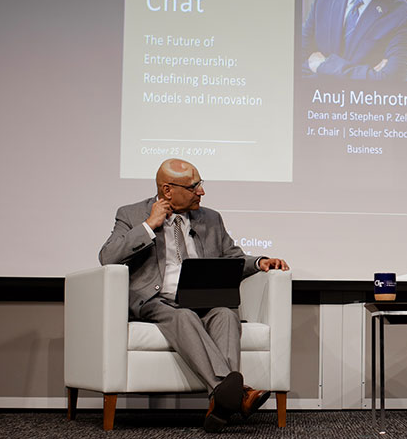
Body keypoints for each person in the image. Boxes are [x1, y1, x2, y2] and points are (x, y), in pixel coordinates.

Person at [99, 158, 290, 433]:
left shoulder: (211, 218)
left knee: (225, 314)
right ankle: (237, 393)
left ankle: (221, 402)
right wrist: (148, 226)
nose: (201, 192)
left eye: (200, 185)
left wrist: (260, 262)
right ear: (167, 190)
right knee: (183, 315)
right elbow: (108, 257)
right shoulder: (130, 214)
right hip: (156, 300)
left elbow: (232, 257)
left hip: (203, 298)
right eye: (194, 186)